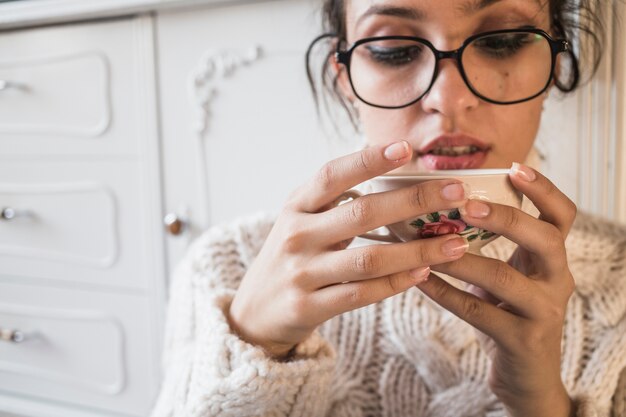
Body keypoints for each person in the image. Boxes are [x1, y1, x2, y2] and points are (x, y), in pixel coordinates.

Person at [151, 1, 626, 416]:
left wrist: (541, 407)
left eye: (501, 41)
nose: (449, 100)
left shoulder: (620, 278)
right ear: (345, 81)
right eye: (395, 49)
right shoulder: (228, 265)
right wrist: (252, 343)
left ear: (556, 66)